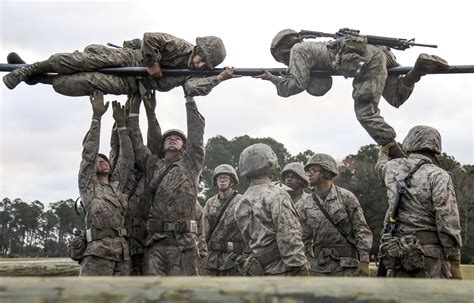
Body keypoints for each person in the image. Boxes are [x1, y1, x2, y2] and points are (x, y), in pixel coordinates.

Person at [255, 29, 449, 158]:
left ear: (282, 50)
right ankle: (419, 68)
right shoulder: (319, 46)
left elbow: (295, 86)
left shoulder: (298, 49)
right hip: (380, 54)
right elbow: (318, 84)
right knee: (395, 97)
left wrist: (272, 79)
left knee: (365, 111)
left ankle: (395, 153)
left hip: (366, 61)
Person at [3, 33, 233, 98]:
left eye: (206, 65)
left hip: (135, 84)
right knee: (84, 60)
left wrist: (218, 79)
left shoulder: (192, 75)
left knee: (79, 83)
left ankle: (39, 78)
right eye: (201, 59)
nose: (200, 65)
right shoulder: (180, 46)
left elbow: (192, 90)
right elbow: (150, 37)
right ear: (197, 49)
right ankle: (31, 69)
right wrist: (153, 63)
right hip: (131, 60)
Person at [127, 90, 205, 276]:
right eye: (169, 138)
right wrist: (134, 110)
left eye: (177, 138)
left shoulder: (191, 163)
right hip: (156, 243)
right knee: (154, 292)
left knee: (186, 294)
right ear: (162, 146)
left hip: (184, 243)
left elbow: (196, 134)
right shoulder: (153, 165)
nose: (172, 139)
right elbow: (137, 142)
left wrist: (189, 99)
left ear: (183, 146)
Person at [376, 125, 463, 279]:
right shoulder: (439, 175)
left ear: (409, 142)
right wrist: (454, 257)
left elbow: (380, 168)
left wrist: (383, 153)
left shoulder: (391, 168)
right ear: (435, 147)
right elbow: (447, 218)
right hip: (428, 255)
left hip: (396, 253)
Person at [78, 91, 134, 276]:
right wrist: (96, 118)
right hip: (97, 253)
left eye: (104, 159)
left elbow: (127, 157)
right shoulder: (89, 186)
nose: (102, 161)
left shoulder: (116, 185)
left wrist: (122, 126)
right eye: (97, 160)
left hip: (122, 254)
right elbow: (88, 152)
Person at [234, 143, 309, 276]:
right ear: (269, 163)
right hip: (282, 271)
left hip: (256, 271)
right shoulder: (277, 194)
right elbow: (289, 237)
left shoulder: (241, 201)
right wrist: (301, 269)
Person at [297, 153, 373, 277]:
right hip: (319, 268)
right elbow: (302, 238)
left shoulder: (346, 197)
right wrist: (304, 264)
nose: (309, 174)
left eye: (313, 170)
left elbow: (361, 229)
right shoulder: (305, 203)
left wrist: (364, 260)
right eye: (308, 171)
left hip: (346, 267)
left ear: (326, 172)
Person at [202, 164, 245, 276]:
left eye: (225, 178)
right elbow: (203, 231)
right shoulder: (210, 203)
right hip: (211, 260)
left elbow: (249, 231)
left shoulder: (242, 201)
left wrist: (246, 256)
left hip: (233, 260)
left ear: (232, 182)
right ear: (215, 182)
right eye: (219, 178)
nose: (222, 180)